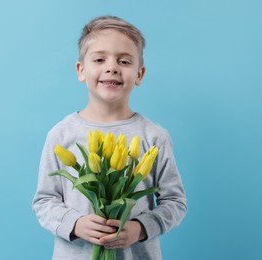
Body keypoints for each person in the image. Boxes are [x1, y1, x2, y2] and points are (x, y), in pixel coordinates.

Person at [32, 15, 187, 259]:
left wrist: (140, 228)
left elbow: (175, 202)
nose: (112, 67)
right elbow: (44, 200)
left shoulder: (154, 136)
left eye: (124, 61)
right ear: (81, 70)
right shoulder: (61, 134)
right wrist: (76, 223)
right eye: (100, 59)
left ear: (139, 74)